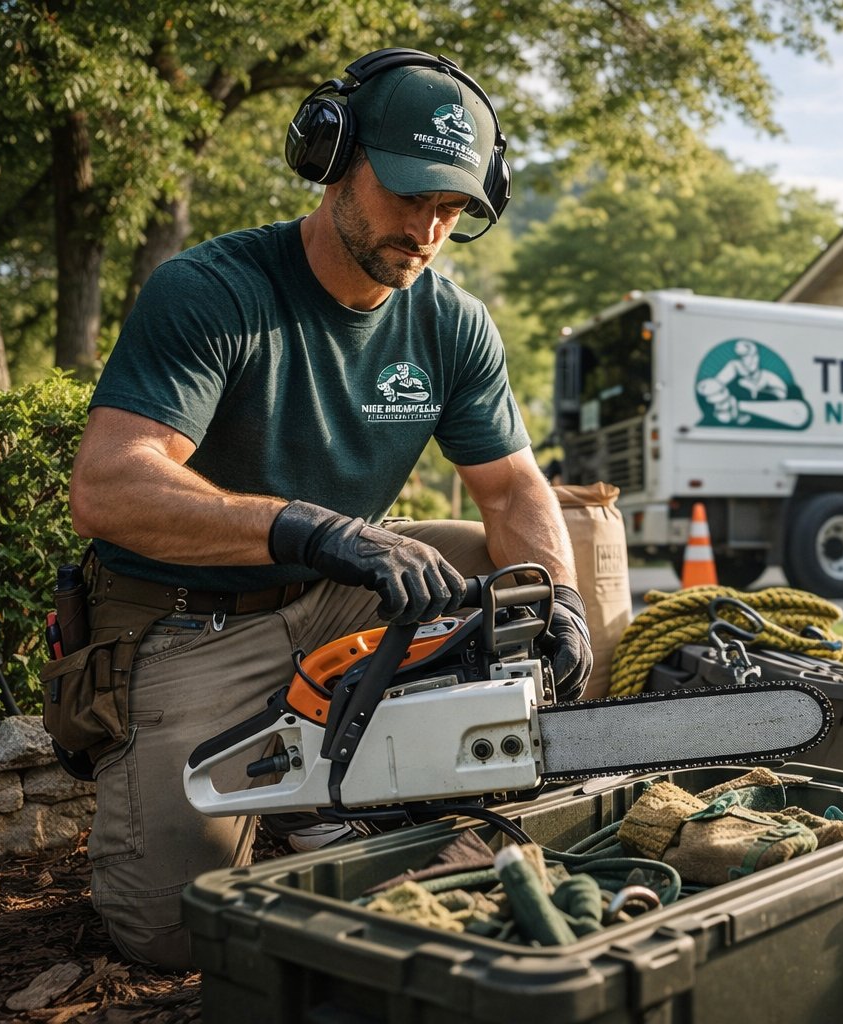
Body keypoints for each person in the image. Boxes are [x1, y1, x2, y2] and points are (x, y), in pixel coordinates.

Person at [65, 48, 592, 970]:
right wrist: (310, 527)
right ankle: (307, 795)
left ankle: (364, 787)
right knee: (172, 934)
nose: (427, 229)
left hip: (332, 591)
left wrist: (564, 601)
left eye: (453, 207)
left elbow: (513, 488)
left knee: (508, 581)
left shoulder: (452, 321)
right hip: (187, 622)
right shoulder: (213, 291)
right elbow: (108, 485)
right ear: (333, 158)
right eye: (409, 194)